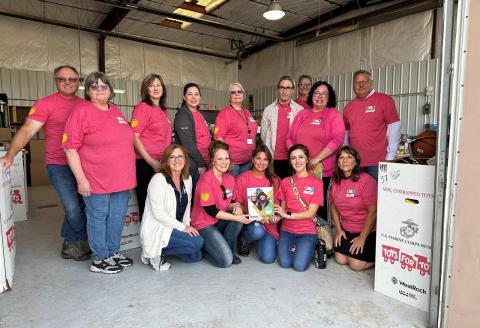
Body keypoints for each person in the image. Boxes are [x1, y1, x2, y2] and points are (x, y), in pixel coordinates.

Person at [0, 65, 90, 261]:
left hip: (85, 165)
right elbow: (27, 130)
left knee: (83, 204)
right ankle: (80, 239)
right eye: (62, 78)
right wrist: (10, 155)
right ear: (55, 81)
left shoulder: (85, 105)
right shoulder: (45, 104)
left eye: (72, 79)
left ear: (78, 82)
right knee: (72, 207)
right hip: (58, 164)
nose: (67, 82)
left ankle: (71, 243)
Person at [63, 71, 136, 274]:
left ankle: (113, 252)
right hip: (96, 179)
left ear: (111, 91)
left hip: (121, 179)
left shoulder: (117, 112)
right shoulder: (81, 112)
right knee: (98, 217)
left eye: (104, 86)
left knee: (117, 217)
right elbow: (70, 148)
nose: (100, 90)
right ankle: (99, 258)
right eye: (95, 87)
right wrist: (81, 180)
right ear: (88, 91)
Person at [287, 81, 345, 221]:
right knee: (300, 204)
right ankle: (302, 234)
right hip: (300, 169)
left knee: (319, 208)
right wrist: (296, 158)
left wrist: (315, 159)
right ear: (311, 95)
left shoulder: (333, 115)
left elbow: (337, 140)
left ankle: (322, 239)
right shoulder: (302, 114)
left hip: (321, 171)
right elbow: (289, 138)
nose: (320, 96)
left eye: (324, 94)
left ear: (329, 97)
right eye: (317, 93)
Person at [140, 144, 204, 271]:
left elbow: (187, 206)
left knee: (195, 256)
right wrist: (183, 228)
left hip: (175, 225)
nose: (177, 160)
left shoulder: (187, 179)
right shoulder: (159, 179)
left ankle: (163, 249)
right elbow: (158, 213)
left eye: (180, 156)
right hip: (159, 227)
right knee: (197, 242)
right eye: (172, 157)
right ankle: (154, 254)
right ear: (166, 160)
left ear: (185, 159)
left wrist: (187, 226)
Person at [190, 140, 250, 267]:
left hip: (218, 221)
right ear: (212, 160)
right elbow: (211, 210)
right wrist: (236, 216)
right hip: (204, 225)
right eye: (220, 159)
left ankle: (229, 250)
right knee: (225, 261)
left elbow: (229, 201)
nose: (224, 162)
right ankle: (205, 249)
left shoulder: (229, 178)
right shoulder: (205, 180)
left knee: (238, 218)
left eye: (226, 158)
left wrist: (236, 206)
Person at [343, 70, 401, 180]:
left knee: (378, 195)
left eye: (364, 81)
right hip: (355, 163)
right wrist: (347, 158)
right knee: (358, 194)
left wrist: (390, 157)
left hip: (378, 163)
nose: (361, 85)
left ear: (371, 83)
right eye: (357, 82)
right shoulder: (348, 108)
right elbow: (345, 135)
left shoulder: (385, 100)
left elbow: (394, 129)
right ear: (353, 85)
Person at [274, 144, 324, 272]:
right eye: (293, 158)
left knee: (299, 266)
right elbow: (283, 209)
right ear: (290, 161)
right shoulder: (285, 182)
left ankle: (308, 247)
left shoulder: (317, 183)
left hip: (307, 231)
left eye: (301, 157)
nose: (297, 161)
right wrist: (276, 216)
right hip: (287, 230)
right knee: (285, 263)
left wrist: (287, 215)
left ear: (307, 159)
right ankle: (298, 248)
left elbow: (311, 213)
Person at [330, 146, 377, 271]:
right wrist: (339, 229)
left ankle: (379, 259)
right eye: (341, 157)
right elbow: (333, 206)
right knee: (340, 259)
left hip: (367, 231)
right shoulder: (336, 181)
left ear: (356, 161)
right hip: (347, 229)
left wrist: (362, 238)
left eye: (349, 157)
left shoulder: (367, 181)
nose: (345, 160)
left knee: (355, 265)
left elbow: (373, 211)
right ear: (338, 162)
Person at [131, 74, 172, 219]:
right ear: (146, 89)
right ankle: (147, 238)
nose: (155, 88)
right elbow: (134, 137)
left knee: (160, 203)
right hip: (145, 163)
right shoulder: (142, 108)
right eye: (151, 85)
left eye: (158, 85)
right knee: (146, 203)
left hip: (162, 163)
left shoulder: (163, 110)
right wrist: (150, 161)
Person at [234, 145, 281, 263]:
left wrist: (276, 215)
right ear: (252, 159)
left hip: (269, 223)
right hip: (250, 221)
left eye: (265, 159)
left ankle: (267, 241)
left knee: (268, 258)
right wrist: (258, 215)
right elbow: (238, 205)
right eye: (258, 158)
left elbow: (277, 206)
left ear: (269, 162)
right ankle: (244, 238)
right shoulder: (242, 178)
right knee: (257, 231)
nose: (261, 162)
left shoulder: (275, 180)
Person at [261, 76, 303, 179]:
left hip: (292, 159)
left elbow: (301, 135)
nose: (284, 91)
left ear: (293, 90)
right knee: (274, 188)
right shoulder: (268, 110)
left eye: (288, 88)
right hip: (273, 158)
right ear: (278, 89)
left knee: (290, 190)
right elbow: (263, 134)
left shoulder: (299, 110)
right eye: (282, 87)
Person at [214, 82, 258, 177]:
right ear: (229, 96)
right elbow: (219, 139)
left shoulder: (247, 112)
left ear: (244, 95)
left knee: (244, 189)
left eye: (239, 91)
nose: (237, 94)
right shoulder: (224, 113)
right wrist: (226, 160)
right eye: (233, 92)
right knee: (232, 189)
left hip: (248, 161)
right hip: (233, 164)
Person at [174, 83, 211, 192]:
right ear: (184, 97)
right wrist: (200, 163)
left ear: (200, 97)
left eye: (196, 94)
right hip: (194, 165)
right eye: (190, 94)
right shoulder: (183, 115)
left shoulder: (199, 114)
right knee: (194, 199)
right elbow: (187, 143)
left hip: (205, 161)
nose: (194, 97)